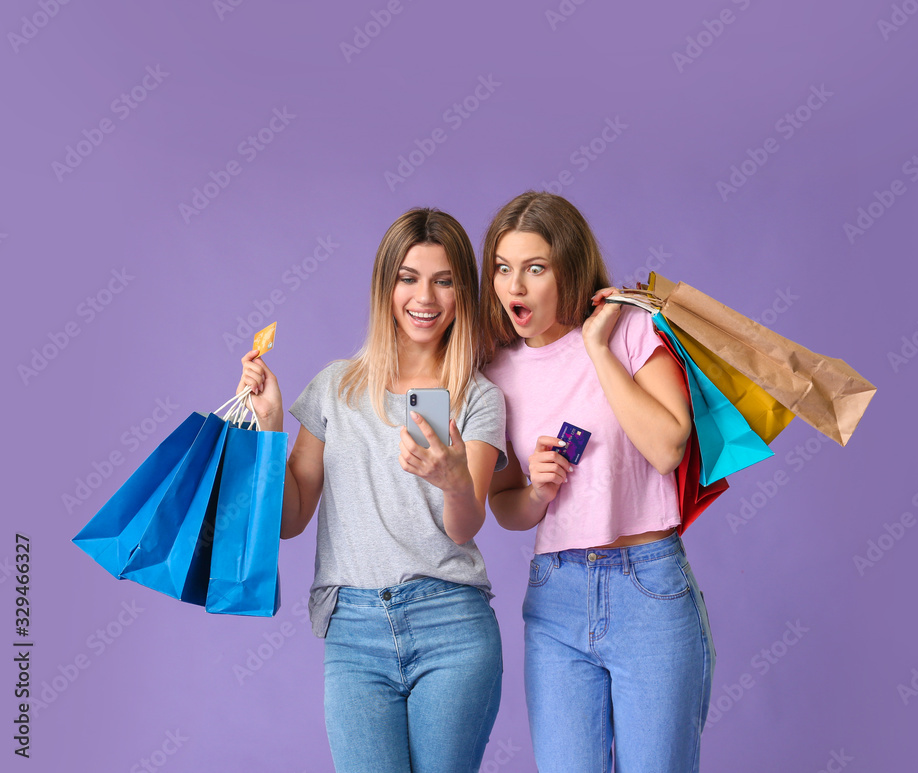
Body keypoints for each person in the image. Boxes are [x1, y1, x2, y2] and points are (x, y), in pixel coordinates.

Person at [236, 208, 507, 773]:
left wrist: (454, 480)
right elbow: (291, 518)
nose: (425, 296)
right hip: (354, 630)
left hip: (451, 624)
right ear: (386, 287)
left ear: (464, 292)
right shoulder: (336, 386)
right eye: (408, 277)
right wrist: (271, 423)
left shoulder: (479, 398)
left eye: (444, 280)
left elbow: (465, 526)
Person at [481, 191, 716, 772]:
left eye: (535, 269)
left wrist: (597, 347)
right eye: (503, 269)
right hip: (556, 595)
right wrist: (535, 489)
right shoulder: (495, 374)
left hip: (649, 590)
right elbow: (504, 509)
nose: (515, 287)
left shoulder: (630, 331)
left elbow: (667, 445)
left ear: (570, 266)